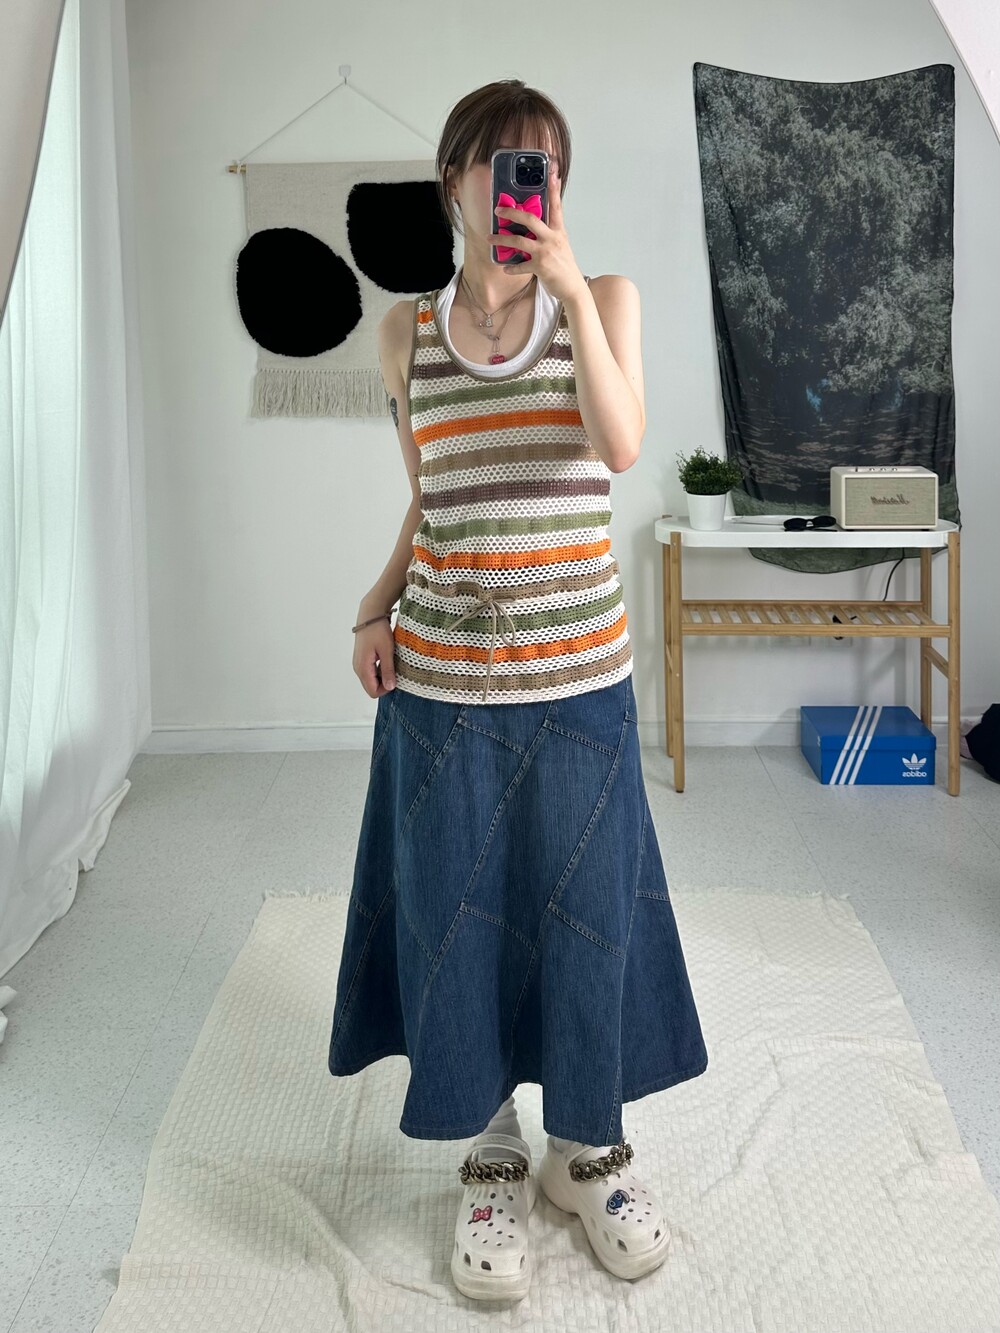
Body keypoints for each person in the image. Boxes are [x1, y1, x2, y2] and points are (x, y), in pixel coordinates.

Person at [328, 79, 708, 1303]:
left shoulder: (605, 300)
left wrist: (570, 294)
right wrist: (374, 604)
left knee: (587, 916)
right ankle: (492, 1153)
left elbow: (619, 444)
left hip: (579, 677)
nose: (517, 187)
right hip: (443, 683)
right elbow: (433, 497)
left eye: (539, 167)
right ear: (453, 178)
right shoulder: (404, 333)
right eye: (497, 163)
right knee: (458, 917)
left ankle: (584, 1153)